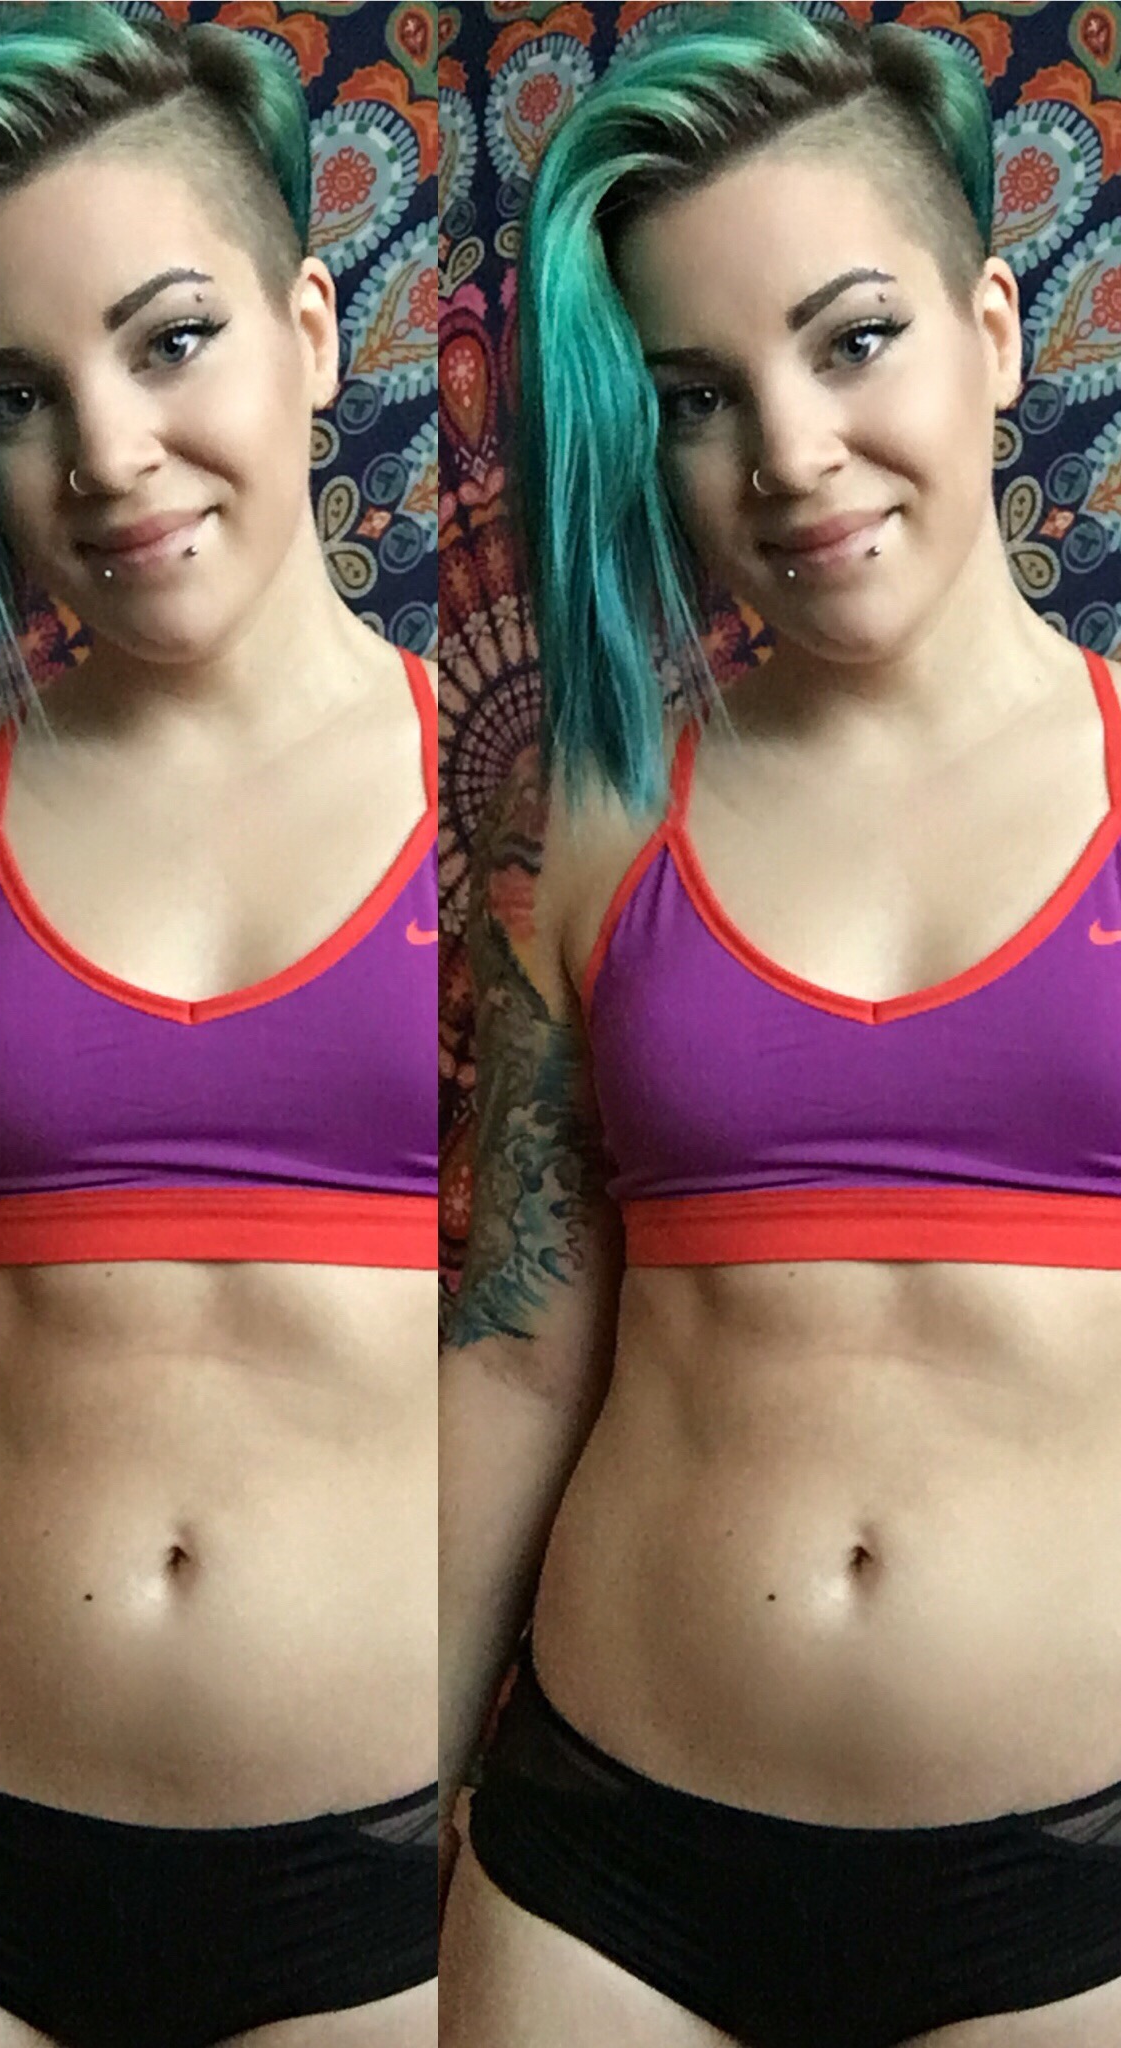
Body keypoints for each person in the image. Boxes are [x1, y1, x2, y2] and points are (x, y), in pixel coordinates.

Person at [0, 9, 439, 2046]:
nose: (107, 455)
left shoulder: (534, 798)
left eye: (170, 341)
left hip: (369, 1893)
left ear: (309, 330)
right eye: (14, 396)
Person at [437, 7, 1121, 2045]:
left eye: (853, 342)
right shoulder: (593, 820)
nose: (791, 454)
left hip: (1061, 1893)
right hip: (604, 1883)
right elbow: (519, 1355)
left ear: (991, 330)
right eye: (697, 396)